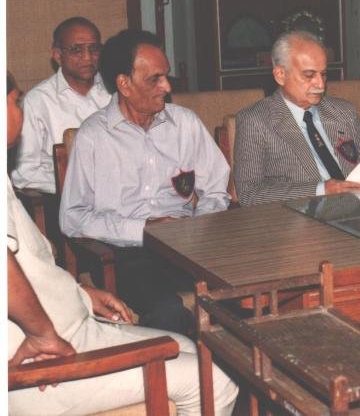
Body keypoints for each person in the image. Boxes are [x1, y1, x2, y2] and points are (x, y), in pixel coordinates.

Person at [7, 72, 238, 415]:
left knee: (187, 345)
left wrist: (79, 293)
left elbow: (29, 267)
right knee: (215, 381)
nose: (20, 111)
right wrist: (42, 334)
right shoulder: (94, 134)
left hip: (73, 323)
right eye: (15, 101)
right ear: (124, 83)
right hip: (38, 355)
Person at [59, 29, 230, 334]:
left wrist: (198, 226)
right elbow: (73, 217)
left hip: (188, 246)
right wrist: (144, 230)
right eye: (155, 79)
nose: (167, 86)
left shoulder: (184, 123)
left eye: (166, 76)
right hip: (125, 254)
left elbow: (216, 188)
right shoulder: (94, 136)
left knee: (241, 292)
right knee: (168, 311)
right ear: (124, 84)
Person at [234, 30, 360, 205]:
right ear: (280, 75)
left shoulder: (344, 112)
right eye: (309, 75)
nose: (320, 84)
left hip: (357, 208)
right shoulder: (256, 121)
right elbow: (249, 194)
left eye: (324, 74)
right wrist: (320, 190)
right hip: (299, 215)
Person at [11, 17, 112, 193]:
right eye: (76, 50)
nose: (87, 57)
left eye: (94, 49)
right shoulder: (38, 101)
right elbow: (24, 173)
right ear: (58, 55)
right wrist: (76, 185)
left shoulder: (116, 92)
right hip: (64, 200)